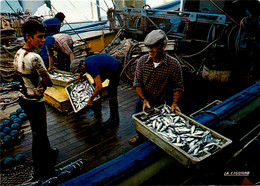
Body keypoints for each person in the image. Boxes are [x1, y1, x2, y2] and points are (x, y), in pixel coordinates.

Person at [13, 19, 58, 181]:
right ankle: (43, 170)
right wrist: (42, 86)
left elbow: (19, 77)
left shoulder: (18, 54)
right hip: (35, 103)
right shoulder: (34, 58)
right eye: (39, 37)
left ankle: (49, 152)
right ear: (28, 37)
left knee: (38, 131)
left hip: (24, 99)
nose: (43, 40)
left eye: (44, 36)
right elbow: (49, 81)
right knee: (39, 135)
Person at [128, 29, 184, 145]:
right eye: (148, 47)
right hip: (144, 101)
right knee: (140, 125)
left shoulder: (174, 64)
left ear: (163, 46)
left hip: (163, 103)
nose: (150, 50)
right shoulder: (142, 61)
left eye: (153, 47)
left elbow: (178, 86)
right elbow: (137, 83)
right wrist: (143, 99)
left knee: (162, 130)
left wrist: (175, 102)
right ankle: (141, 140)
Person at [70, 53, 121, 126]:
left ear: (81, 67)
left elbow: (99, 87)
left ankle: (114, 119)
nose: (79, 72)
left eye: (79, 71)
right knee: (94, 86)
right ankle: (97, 105)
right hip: (105, 67)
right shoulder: (85, 62)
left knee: (111, 92)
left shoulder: (91, 67)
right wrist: (80, 76)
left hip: (115, 67)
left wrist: (90, 99)